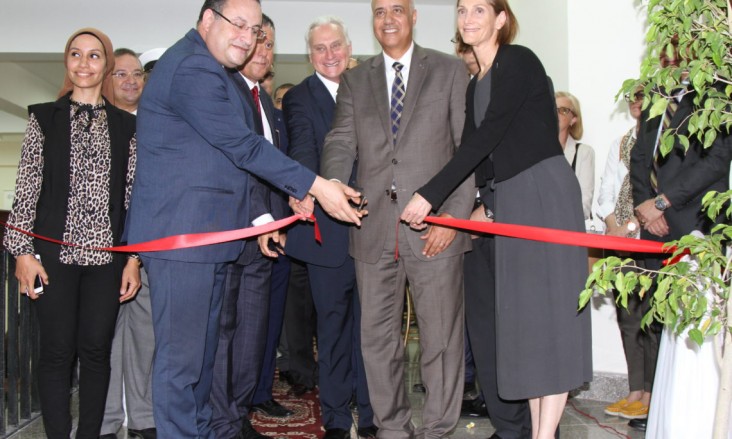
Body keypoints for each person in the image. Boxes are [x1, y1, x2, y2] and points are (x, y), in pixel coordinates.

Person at [124, 0, 365, 437]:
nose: (247, 37)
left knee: (201, 363)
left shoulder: (216, 72)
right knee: (182, 365)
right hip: (184, 239)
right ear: (207, 20)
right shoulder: (192, 68)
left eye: (255, 29)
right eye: (239, 24)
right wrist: (317, 186)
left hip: (211, 240)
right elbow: (243, 147)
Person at [399, 0, 592, 437]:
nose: (468, 19)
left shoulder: (519, 61)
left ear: (501, 19)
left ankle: (544, 435)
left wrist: (428, 196)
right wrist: (472, 206)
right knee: (527, 324)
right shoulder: (475, 85)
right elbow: (477, 158)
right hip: (511, 203)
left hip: (544, 197)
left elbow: (489, 136)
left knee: (552, 321)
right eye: (462, 10)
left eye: (479, 10)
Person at [320, 0, 474, 436]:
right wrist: (332, 181)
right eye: (379, 11)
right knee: (377, 341)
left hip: (435, 230)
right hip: (372, 229)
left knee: (441, 340)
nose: (388, 19)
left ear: (414, 16)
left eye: (397, 10)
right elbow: (340, 139)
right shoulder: (355, 79)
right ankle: (391, 429)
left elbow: (467, 151)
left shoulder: (448, 71)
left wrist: (453, 219)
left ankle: (439, 429)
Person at [3, 28, 141, 439]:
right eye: (76, 54)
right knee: (57, 353)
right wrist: (21, 253)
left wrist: (134, 258)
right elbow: (25, 191)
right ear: (67, 62)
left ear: (107, 64)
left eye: (94, 56)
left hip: (106, 262)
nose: (84, 63)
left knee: (97, 354)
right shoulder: (43, 117)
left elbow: (134, 200)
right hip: (52, 260)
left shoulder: (127, 127)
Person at [629, 47, 732, 434]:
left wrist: (662, 202)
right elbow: (641, 157)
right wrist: (644, 206)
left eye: (679, 58)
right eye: (666, 60)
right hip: (652, 225)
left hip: (697, 226)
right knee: (654, 319)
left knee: (693, 326)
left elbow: (717, 161)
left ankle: (697, 419)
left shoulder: (715, 97)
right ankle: (660, 409)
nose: (672, 66)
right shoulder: (656, 96)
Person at [283, 16, 376, 439]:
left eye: (335, 45)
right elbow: (303, 144)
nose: (329, 55)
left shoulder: (371, 86)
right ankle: (337, 417)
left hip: (374, 227)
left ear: (349, 47)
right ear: (310, 56)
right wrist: (305, 186)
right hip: (326, 231)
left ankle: (374, 412)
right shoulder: (301, 97)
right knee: (334, 326)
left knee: (374, 326)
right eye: (319, 49)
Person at [100, 47, 158, 439]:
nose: (131, 81)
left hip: (149, 248)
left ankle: (143, 419)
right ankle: (104, 421)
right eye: (121, 74)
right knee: (102, 339)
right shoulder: (94, 123)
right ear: (107, 80)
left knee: (146, 338)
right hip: (101, 250)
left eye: (137, 73)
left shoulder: (156, 125)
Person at [594, 89, 653, 423]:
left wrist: (632, 225)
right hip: (620, 237)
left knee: (651, 316)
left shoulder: (663, 137)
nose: (636, 101)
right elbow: (606, 191)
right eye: (632, 95)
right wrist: (614, 225)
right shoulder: (621, 142)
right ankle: (634, 391)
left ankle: (651, 391)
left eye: (643, 95)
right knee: (627, 314)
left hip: (647, 235)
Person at [555, 91, 595, 220]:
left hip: (568, 229)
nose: (556, 113)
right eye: (552, 108)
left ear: (573, 119)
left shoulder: (584, 153)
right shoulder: (534, 151)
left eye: (563, 110)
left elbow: (584, 206)